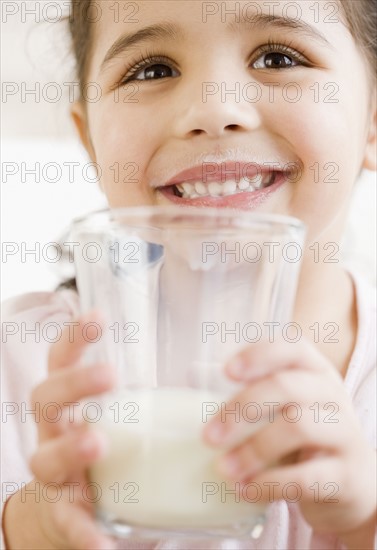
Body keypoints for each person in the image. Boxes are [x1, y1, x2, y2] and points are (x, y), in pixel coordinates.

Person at [1, 1, 376, 548]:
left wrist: (367, 521)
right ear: (89, 143)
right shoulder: (23, 363)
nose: (214, 108)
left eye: (278, 57)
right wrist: (29, 528)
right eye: (153, 70)